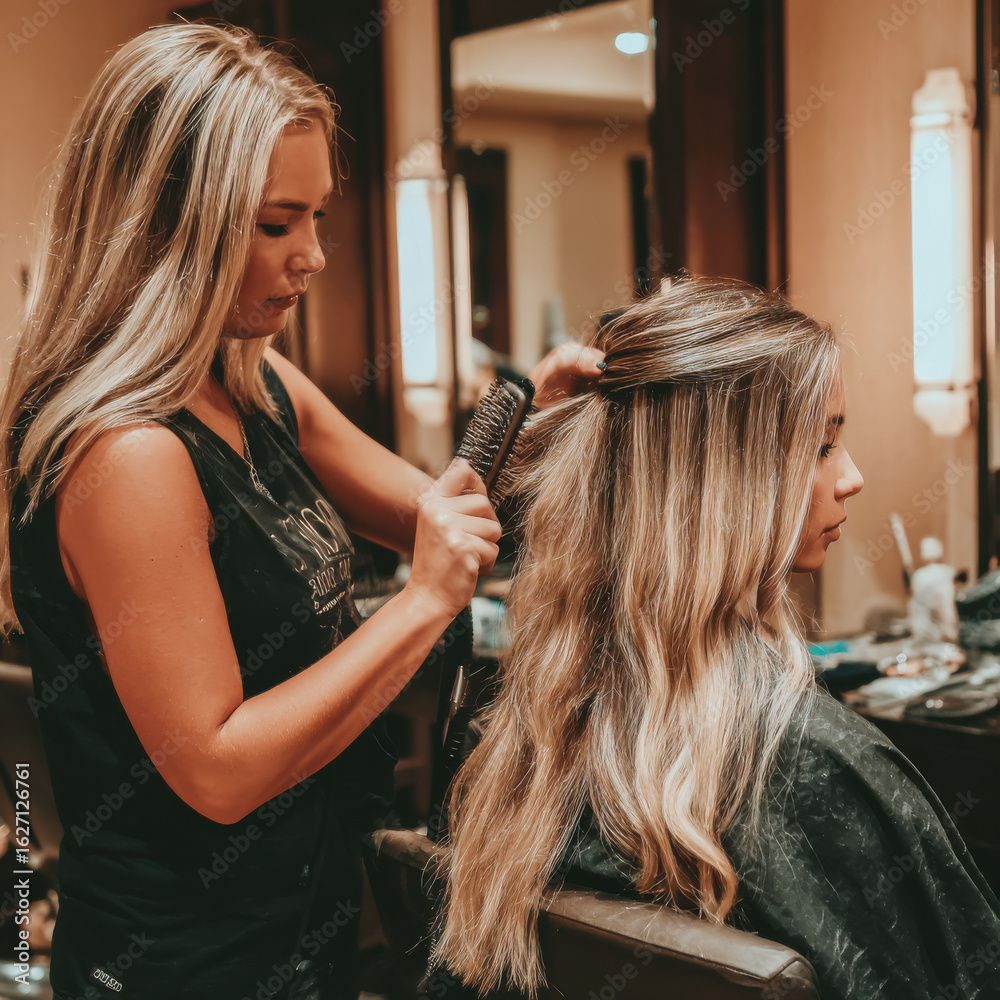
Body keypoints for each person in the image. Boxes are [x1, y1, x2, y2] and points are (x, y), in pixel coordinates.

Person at [0, 23, 603, 1000]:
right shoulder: (130, 458)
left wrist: (528, 416)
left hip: (306, 932)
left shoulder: (252, 381)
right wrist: (417, 607)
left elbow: (433, 509)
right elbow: (220, 769)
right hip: (185, 966)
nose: (314, 256)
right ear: (167, 220)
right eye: (277, 224)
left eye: (319, 216)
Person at [429, 272, 1000, 1000]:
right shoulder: (815, 764)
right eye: (823, 446)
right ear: (728, 482)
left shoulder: (524, 744)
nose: (851, 477)